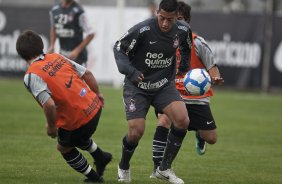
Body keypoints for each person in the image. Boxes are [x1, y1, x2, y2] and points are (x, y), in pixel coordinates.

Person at [16, 30, 112, 183]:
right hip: (95, 106)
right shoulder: (56, 57)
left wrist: (52, 127)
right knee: (75, 136)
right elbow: (87, 74)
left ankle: (94, 179)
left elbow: (49, 105)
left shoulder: (31, 75)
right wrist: (98, 94)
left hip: (78, 120)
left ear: (22, 55)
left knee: (64, 147)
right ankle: (101, 157)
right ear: (41, 46)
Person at [113, 0, 193, 183]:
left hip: (164, 85)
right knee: (136, 132)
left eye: (170, 20)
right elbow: (118, 47)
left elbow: (186, 46)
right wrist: (131, 72)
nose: (165, 23)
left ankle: (164, 169)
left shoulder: (182, 29)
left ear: (176, 17)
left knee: (182, 120)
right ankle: (124, 166)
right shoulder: (143, 29)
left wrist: (185, 66)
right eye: (162, 18)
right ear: (157, 12)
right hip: (137, 87)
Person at [150, 1, 224, 177]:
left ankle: (199, 133)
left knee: (211, 138)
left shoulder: (198, 43)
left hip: (197, 98)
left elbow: (213, 68)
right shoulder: (161, 39)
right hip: (171, 94)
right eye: (174, 19)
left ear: (187, 22)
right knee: (164, 121)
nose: (175, 23)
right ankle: (158, 168)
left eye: (180, 19)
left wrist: (215, 78)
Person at [48, 0, 94, 66]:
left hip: (78, 58)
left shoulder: (79, 11)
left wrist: (77, 50)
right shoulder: (54, 10)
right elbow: (53, 27)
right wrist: (52, 45)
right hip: (63, 56)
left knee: (78, 76)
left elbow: (91, 34)